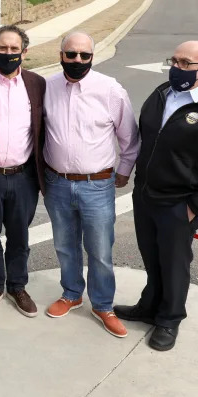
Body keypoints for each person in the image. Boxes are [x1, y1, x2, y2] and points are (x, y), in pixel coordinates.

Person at [116, 41, 198, 351]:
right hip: (146, 196)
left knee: (174, 263)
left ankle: (170, 318)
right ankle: (149, 306)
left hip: (180, 205)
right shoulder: (162, 94)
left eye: (185, 63)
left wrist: (195, 206)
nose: (176, 68)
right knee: (152, 257)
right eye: (173, 60)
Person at [42, 32, 139, 337]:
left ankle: (103, 305)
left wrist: (123, 171)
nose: (77, 60)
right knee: (64, 246)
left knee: (99, 250)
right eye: (71, 54)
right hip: (57, 183)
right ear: (61, 55)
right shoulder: (48, 87)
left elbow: (130, 138)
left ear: (92, 57)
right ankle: (71, 294)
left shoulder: (110, 89)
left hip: (97, 185)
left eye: (84, 55)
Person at [0, 24, 45, 318]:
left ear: (24, 52)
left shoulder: (37, 84)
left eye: (14, 49)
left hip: (23, 176)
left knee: (19, 236)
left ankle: (18, 285)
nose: (8, 54)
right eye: (2, 48)